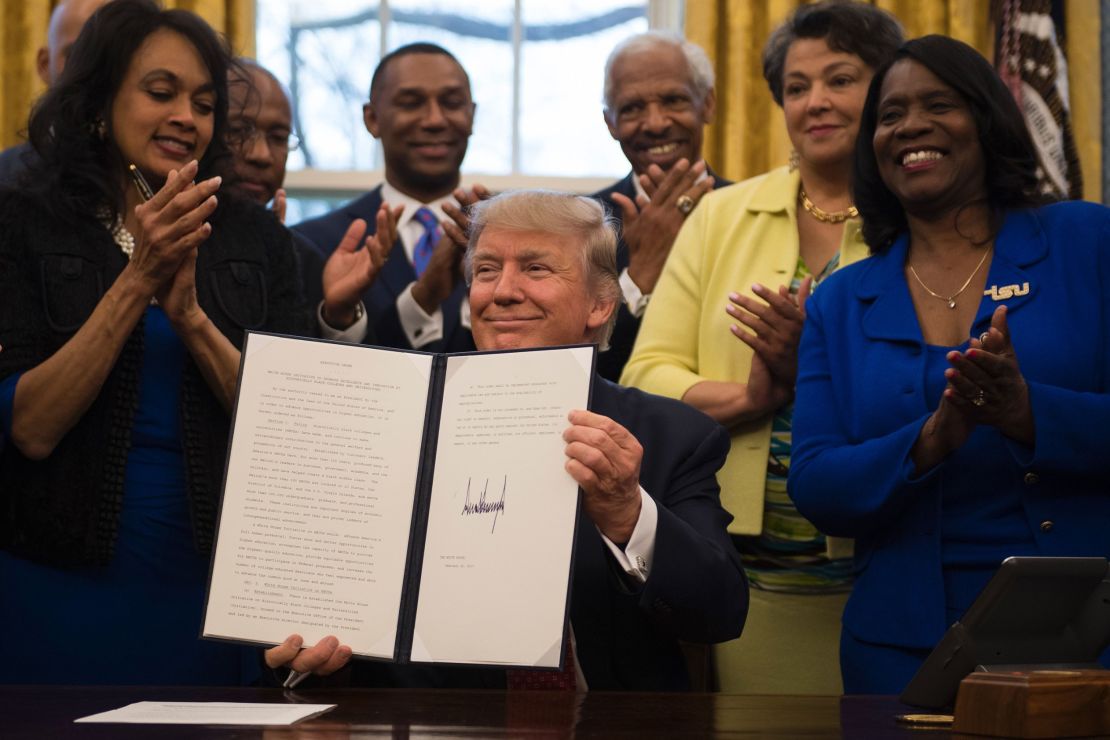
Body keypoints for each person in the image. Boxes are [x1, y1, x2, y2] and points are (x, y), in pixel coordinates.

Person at [267, 190, 748, 691]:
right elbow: (333, 614)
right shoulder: (392, 424)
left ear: (600, 304)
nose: (503, 291)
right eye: (488, 271)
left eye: (536, 269)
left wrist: (628, 515)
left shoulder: (673, 436)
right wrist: (307, 651)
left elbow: (720, 615)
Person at [788, 34, 1110, 695]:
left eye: (939, 104)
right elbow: (816, 484)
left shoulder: (1087, 242)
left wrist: (1030, 414)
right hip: (899, 652)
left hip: (1088, 633)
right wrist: (930, 440)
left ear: (986, 120)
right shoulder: (842, 300)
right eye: (890, 114)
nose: (911, 126)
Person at [0, 0, 309, 684]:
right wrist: (138, 278)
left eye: (203, 103)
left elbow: (297, 433)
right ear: (99, 101)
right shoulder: (21, 222)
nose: (187, 117)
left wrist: (194, 320)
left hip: (215, 591)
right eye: (160, 93)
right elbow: (30, 427)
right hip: (57, 580)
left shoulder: (256, 239)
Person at [621, 1, 903, 694]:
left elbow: (928, 393)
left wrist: (816, 373)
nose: (817, 102)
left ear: (887, 92)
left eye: (841, 79)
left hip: (884, 568)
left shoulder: (913, 221)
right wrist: (754, 397)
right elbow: (645, 377)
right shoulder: (719, 214)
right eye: (798, 87)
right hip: (746, 579)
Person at [292, 42, 485, 352]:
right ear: (372, 119)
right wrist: (340, 317)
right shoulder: (312, 243)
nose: (435, 119)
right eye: (411, 103)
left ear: (472, 115)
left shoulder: (509, 236)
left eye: (451, 102)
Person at [592, 32, 731, 381]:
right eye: (633, 108)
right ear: (610, 122)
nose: (656, 123)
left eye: (674, 100)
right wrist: (639, 277)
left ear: (708, 104)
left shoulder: (752, 211)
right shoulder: (579, 224)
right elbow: (576, 366)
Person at [225, 59, 391, 339]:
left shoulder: (304, 259)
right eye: (240, 131)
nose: (261, 155)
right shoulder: (157, 242)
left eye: (278, 137)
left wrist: (338, 316)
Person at [0, 0, 110, 184]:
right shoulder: (6, 175)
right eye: (78, 55)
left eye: (112, 57)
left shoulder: (160, 168)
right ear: (44, 64)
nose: (96, 70)